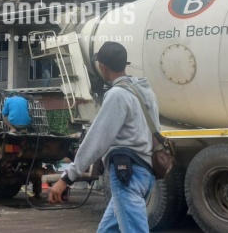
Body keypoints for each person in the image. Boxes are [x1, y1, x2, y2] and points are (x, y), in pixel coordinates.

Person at [48, 41, 159, 232]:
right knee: (108, 229)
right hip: (146, 172)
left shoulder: (117, 95)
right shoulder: (146, 92)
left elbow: (96, 140)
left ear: (103, 67)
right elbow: (155, 132)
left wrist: (66, 179)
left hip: (127, 174)